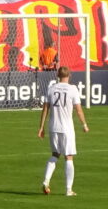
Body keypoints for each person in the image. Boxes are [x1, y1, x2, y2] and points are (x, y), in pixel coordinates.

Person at [37, 67, 88, 195]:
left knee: (55, 154)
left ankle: (46, 180)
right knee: (69, 157)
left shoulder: (51, 89)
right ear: (69, 75)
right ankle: (68, 189)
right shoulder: (73, 89)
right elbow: (78, 109)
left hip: (53, 127)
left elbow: (45, 110)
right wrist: (84, 124)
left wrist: (41, 128)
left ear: (57, 75)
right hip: (67, 128)